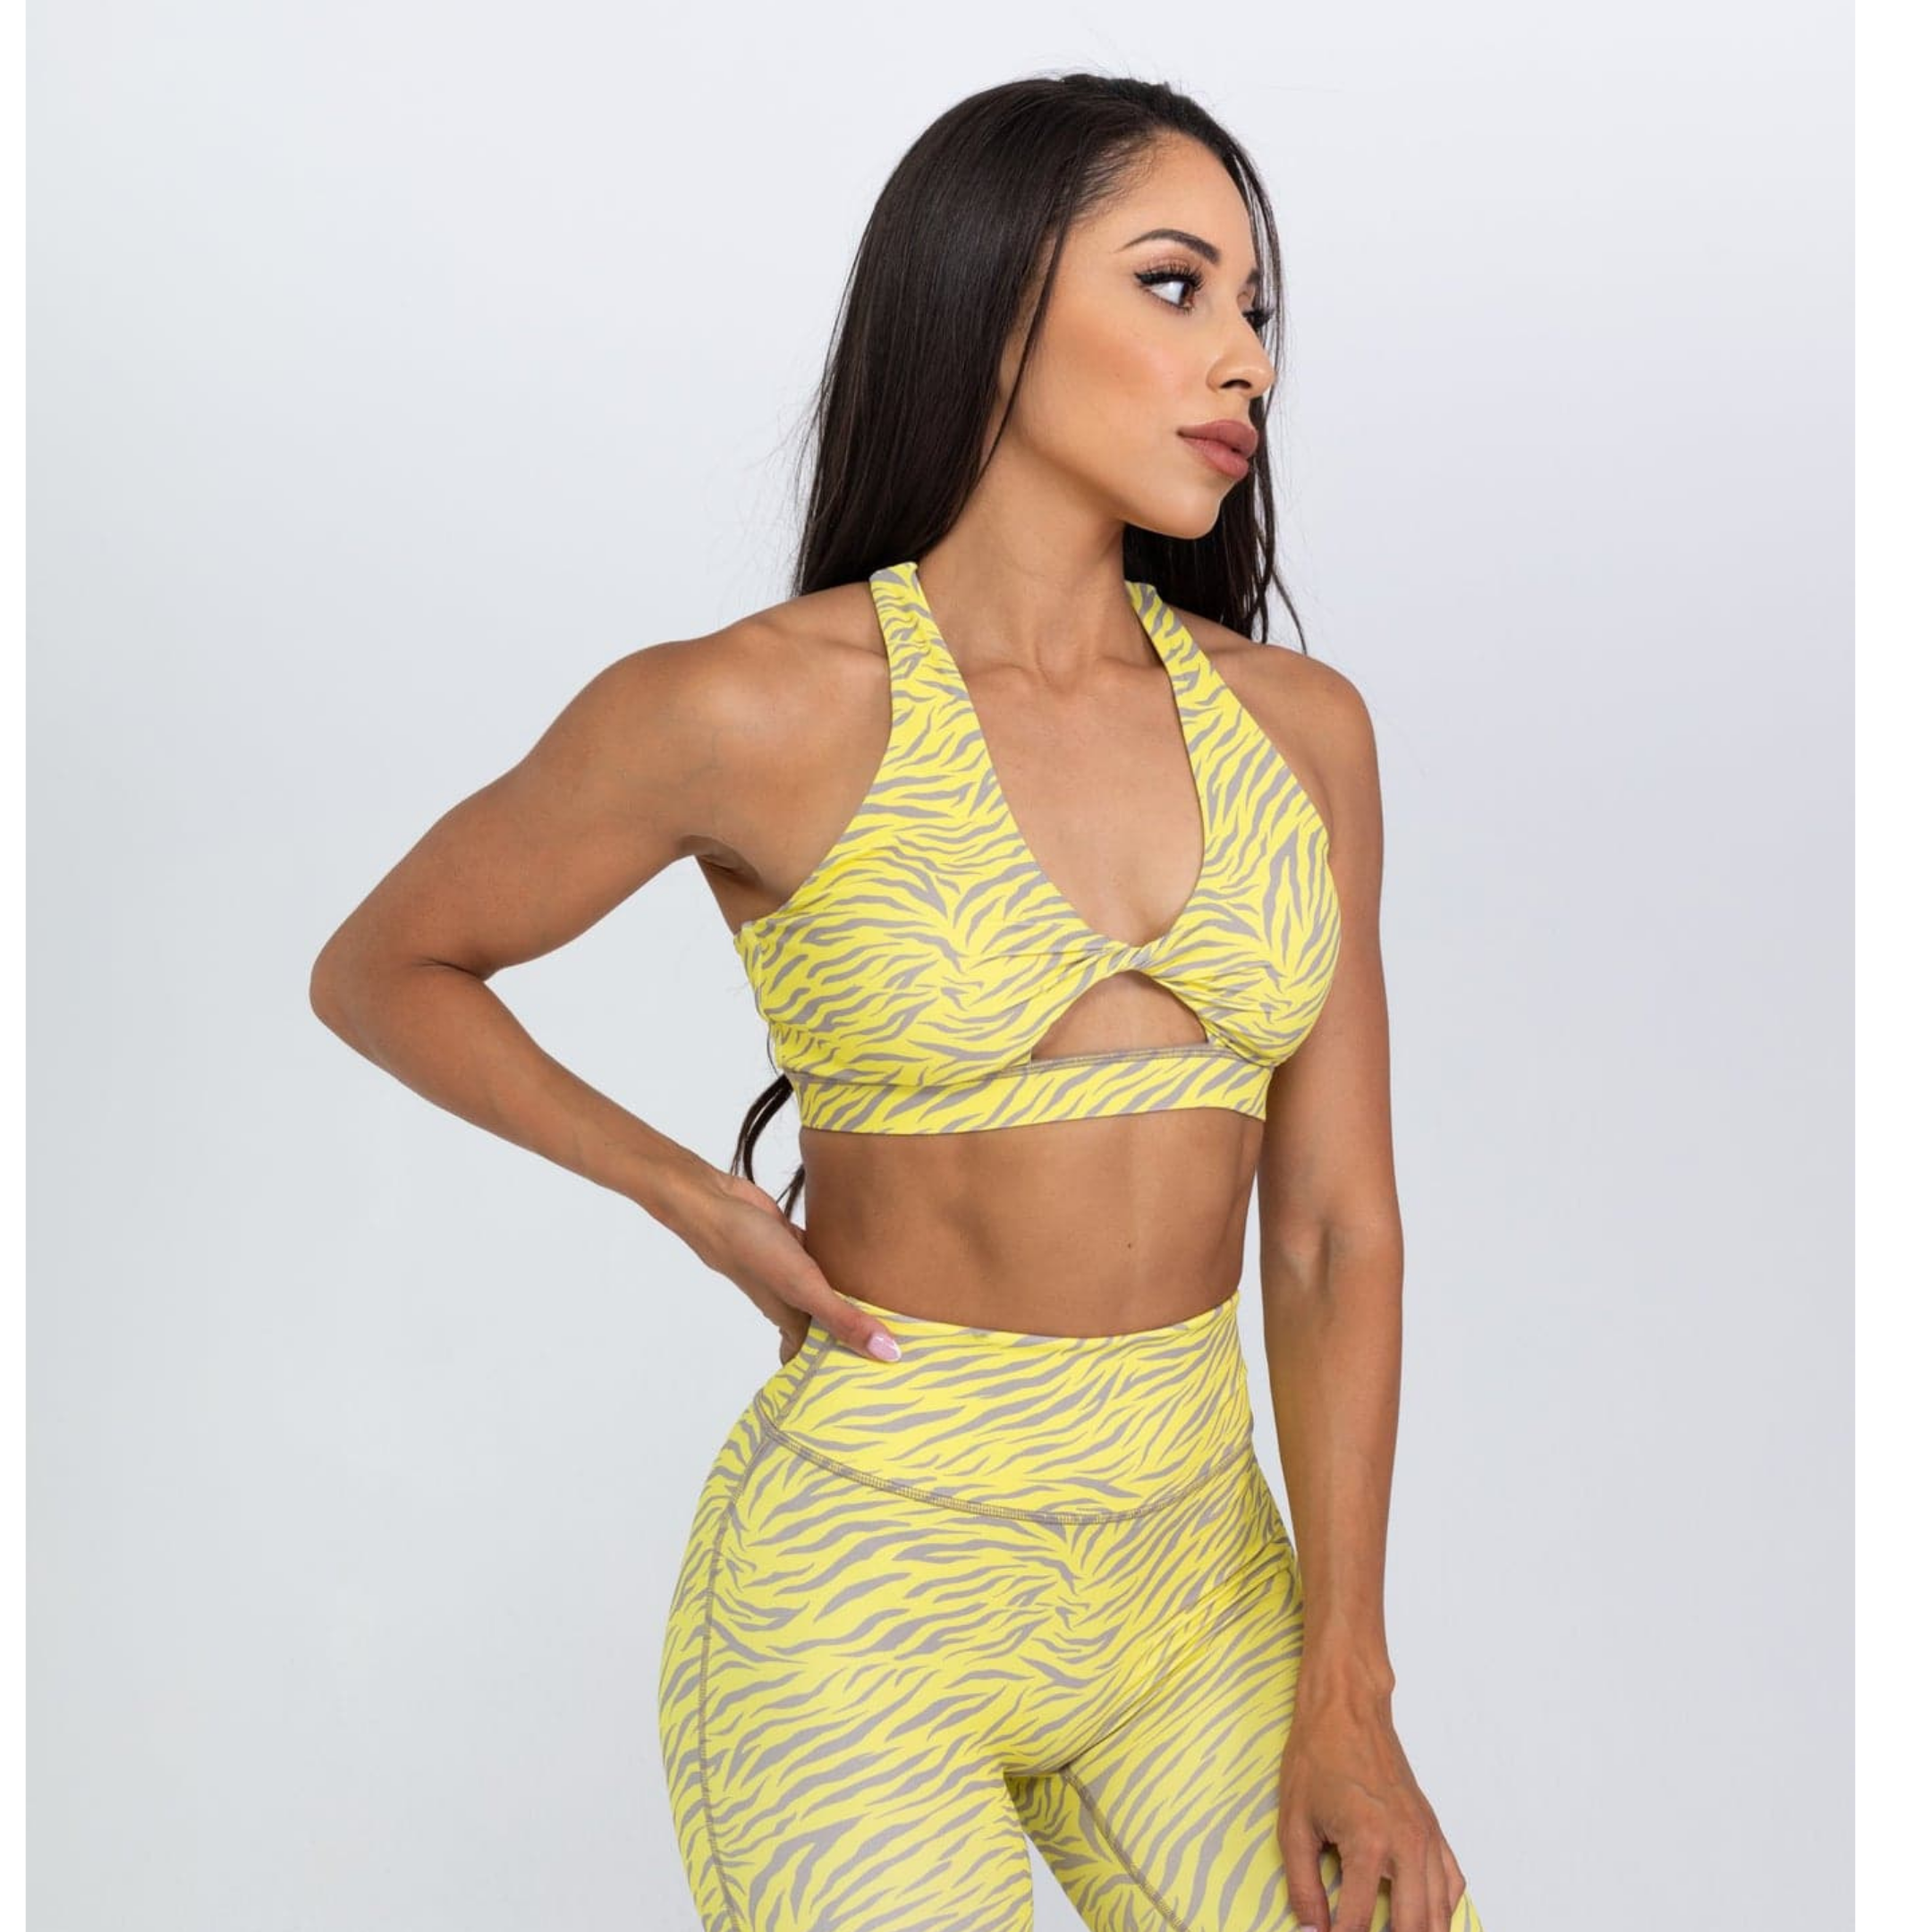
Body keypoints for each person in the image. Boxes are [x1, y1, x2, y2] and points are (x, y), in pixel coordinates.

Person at [310, 71, 1487, 1932]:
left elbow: (1338, 1232)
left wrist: (1350, 1684)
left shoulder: (1303, 732)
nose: (1247, 358)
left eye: (1257, 308)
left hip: (1199, 1579)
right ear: (995, 303)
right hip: (864, 1591)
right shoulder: (753, 709)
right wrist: (692, 1197)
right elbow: (386, 966)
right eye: (1175, 285)